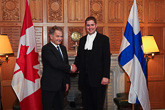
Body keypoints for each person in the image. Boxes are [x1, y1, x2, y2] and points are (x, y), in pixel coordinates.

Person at [74, 16, 111, 110]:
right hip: (85, 80)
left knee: (98, 105)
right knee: (87, 105)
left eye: (92, 25)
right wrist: (74, 66)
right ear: (85, 27)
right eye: (88, 25)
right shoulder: (82, 40)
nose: (90, 27)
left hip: (99, 80)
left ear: (96, 25)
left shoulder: (104, 39)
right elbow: (79, 58)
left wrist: (106, 76)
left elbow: (107, 59)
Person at [41, 26, 77, 110]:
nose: (60, 38)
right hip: (49, 86)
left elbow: (65, 65)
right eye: (57, 36)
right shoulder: (46, 48)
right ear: (51, 36)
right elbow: (55, 63)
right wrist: (70, 67)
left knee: (60, 107)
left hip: (61, 86)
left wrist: (67, 82)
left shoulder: (63, 48)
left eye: (61, 36)